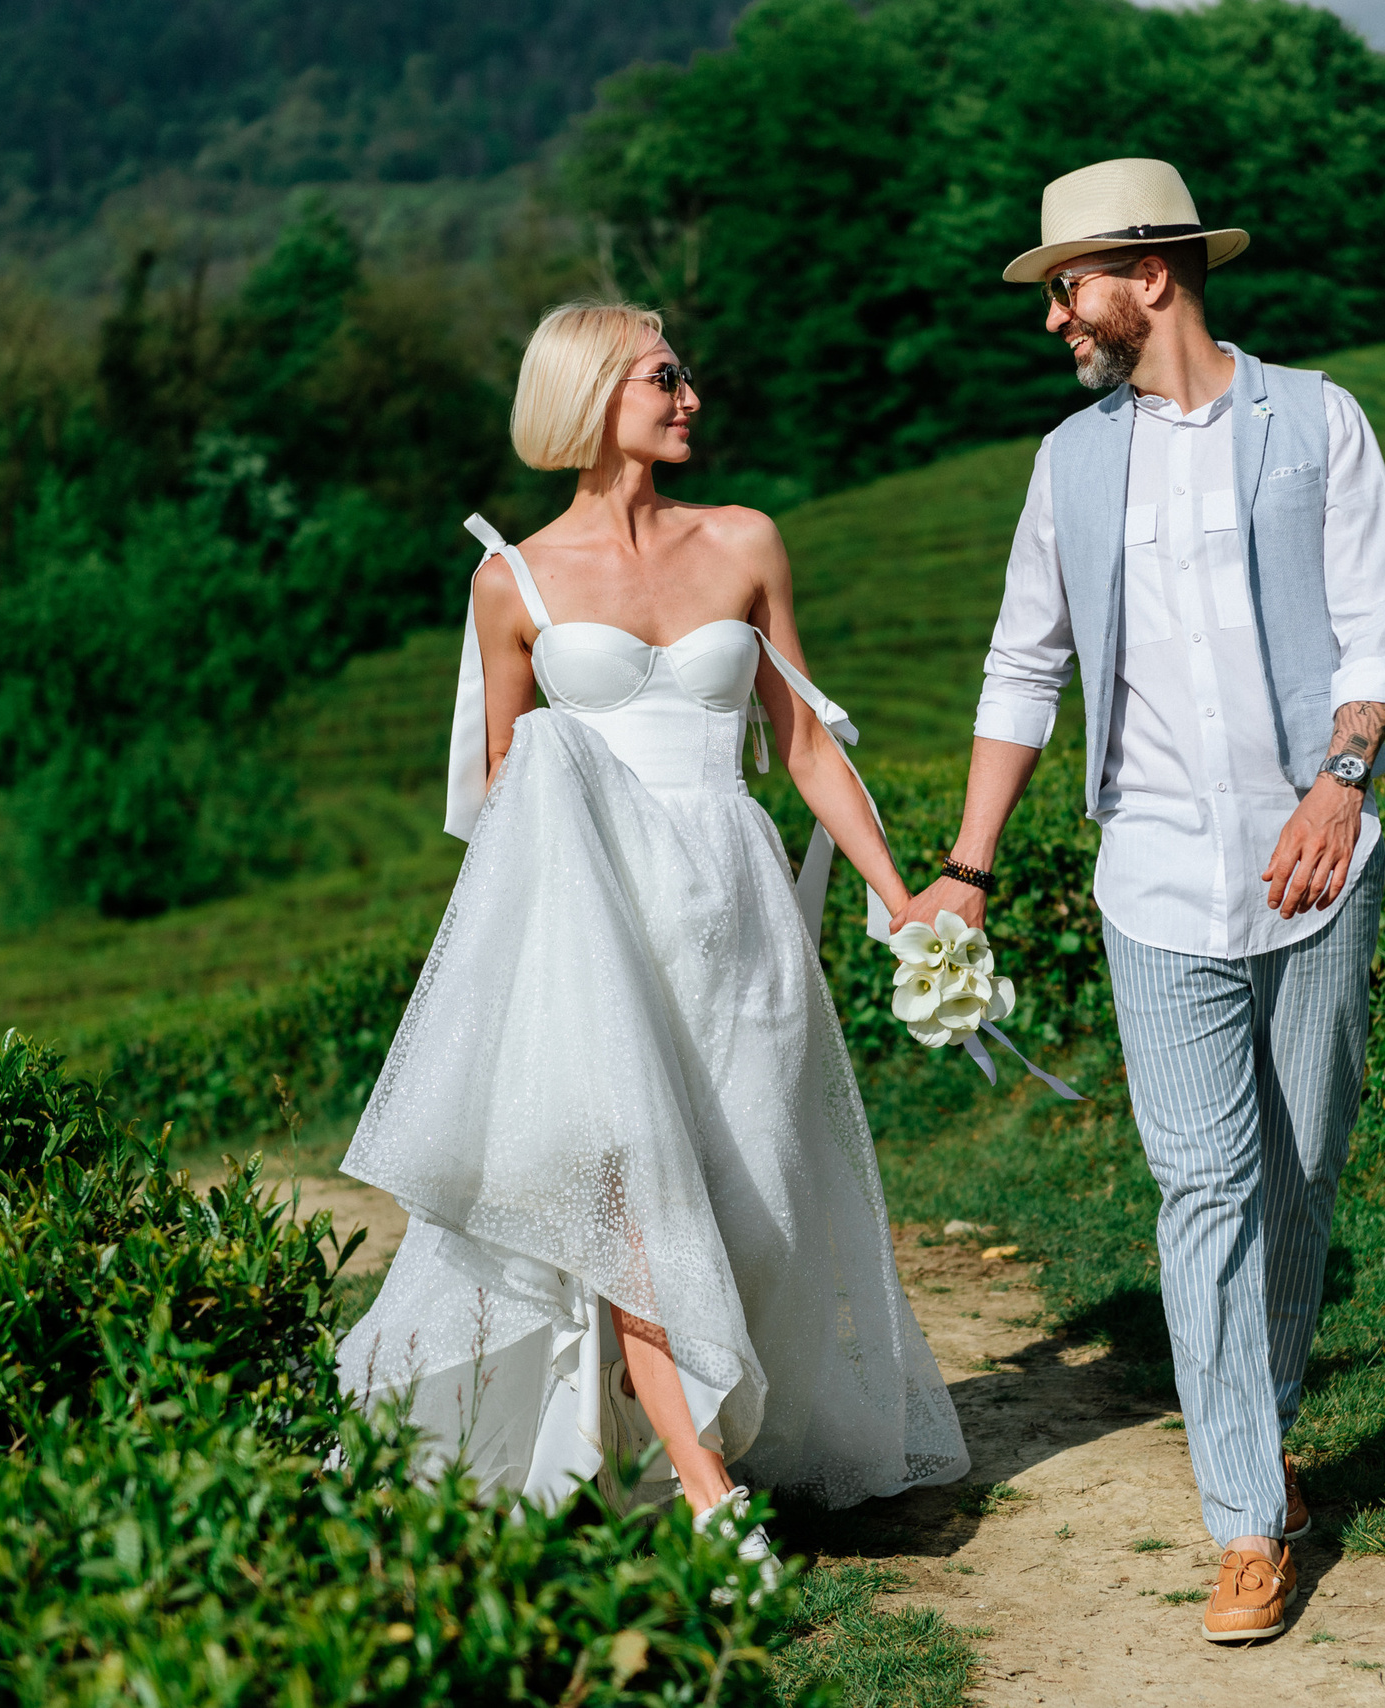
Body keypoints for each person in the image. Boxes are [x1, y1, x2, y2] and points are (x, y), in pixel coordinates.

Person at [337, 302, 969, 1589]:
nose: (692, 393)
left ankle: (676, 1436)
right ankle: (702, 1489)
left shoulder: (744, 541)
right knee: (629, 1199)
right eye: (664, 376)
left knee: (759, 1197)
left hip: (735, 923)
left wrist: (904, 896)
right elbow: (511, 788)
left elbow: (804, 746)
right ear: (591, 396)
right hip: (594, 928)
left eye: (687, 372)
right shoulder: (507, 581)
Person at [892, 158, 1385, 1644]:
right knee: (1204, 1187)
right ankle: (1245, 1518)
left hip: (1320, 862)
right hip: (1156, 880)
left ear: (1152, 275)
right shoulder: (1067, 463)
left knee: (1303, 1171)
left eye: (1070, 283)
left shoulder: (1316, 420)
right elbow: (1022, 665)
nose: (1056, 313)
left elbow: (1377, 635)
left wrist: (1341, 783)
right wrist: (970, 869)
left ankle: (1263, 1418)